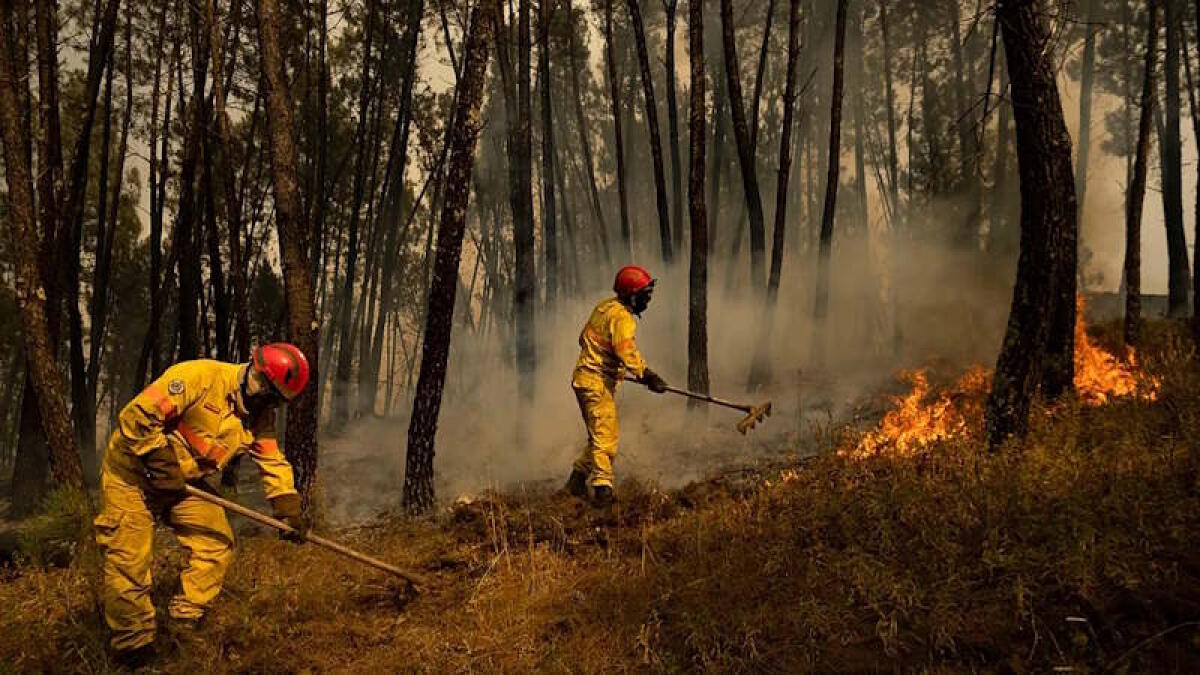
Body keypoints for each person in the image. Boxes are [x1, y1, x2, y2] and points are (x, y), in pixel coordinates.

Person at [94, 344, 311, 668]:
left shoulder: (259, 417)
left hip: (183, 481)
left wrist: (287, 508)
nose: (264, 399)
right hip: (133, 473)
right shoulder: (199, 376)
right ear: (252, 365)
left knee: (216, 542)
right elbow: (137, 416)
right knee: (129, 559)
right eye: (263, 386)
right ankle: (134, 649)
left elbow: (272, 461)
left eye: (274, 397)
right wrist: (159, 460)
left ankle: (184, 622)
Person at [566, 265, 669, 507]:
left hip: (584, 378)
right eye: (645, 295)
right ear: (632, 295)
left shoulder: (604, 307)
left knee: (597, 435)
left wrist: (610, 366)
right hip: (596, 383)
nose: (648, 300)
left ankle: (576, 481)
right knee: (606, 437)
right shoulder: (622, 318)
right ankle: (603, 492)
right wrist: (647, 375)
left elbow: (584, 339)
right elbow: (626, 351)